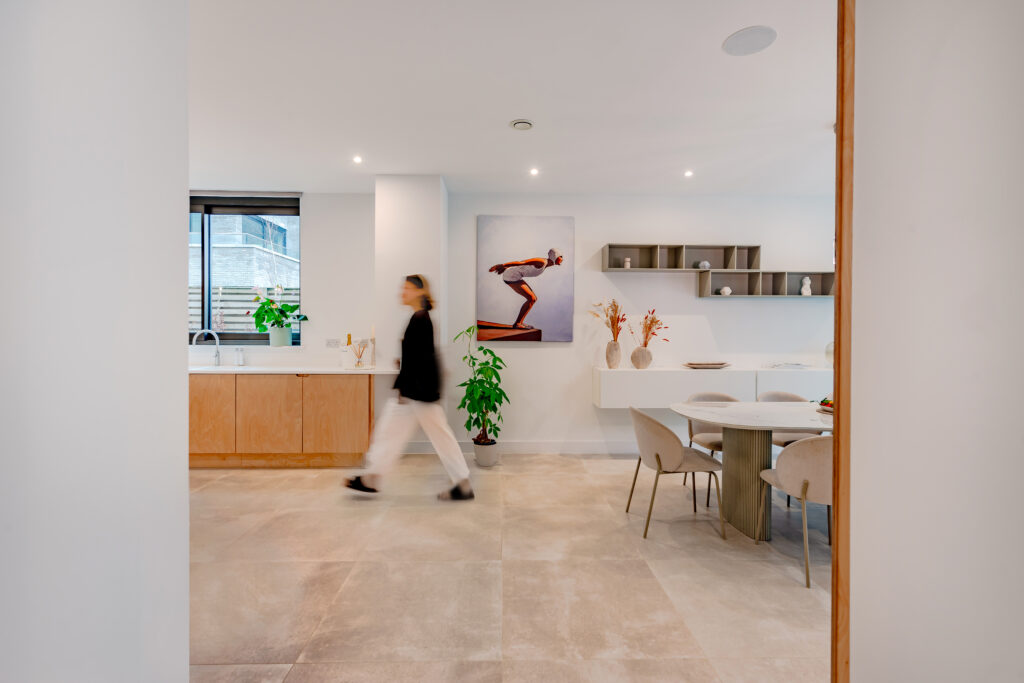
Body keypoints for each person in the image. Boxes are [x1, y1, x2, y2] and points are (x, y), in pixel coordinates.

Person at [345, 274, 474, 501]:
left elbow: (422, 359)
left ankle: (462, 484)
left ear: (419, 291)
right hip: (417, 391)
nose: (401, 293)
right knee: (390, 432)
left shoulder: (421, 318)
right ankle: (371, 478)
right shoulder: (419, 317)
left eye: (406, 289)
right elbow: (418, 357)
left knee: (434, 436)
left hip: (419, 393)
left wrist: (406, 387)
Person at [488, 247, 563, 329]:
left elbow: (523, 268)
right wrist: (502, 265)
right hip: (511, 276)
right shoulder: (541, 262)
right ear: (555, 256)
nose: (562, 258)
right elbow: (521, 263)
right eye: (561, 256)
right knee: (532, 299)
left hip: (516, 275)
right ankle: (518, 324)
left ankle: (519, 323)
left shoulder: (545, 265)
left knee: (532, 299)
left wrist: (506, 268)